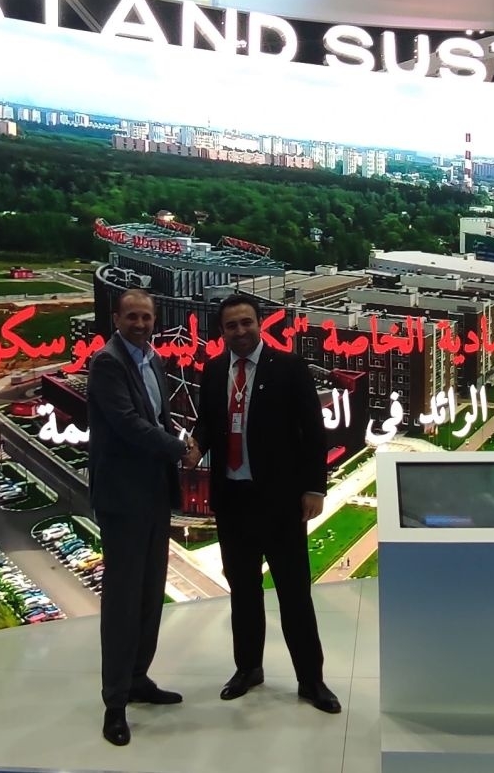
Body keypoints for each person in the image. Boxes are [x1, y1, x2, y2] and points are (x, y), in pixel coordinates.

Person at [194, 294, 342, 715]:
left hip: (280, 503)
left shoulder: (289, 368)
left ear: (260, 324)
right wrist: (195, 446)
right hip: (233, 501)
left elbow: (313, 431)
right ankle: (248, 669)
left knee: (294, 595)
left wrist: (314, 488)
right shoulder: (214, 370)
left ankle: (311, 681)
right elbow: (209, 423)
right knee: (243, 592)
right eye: (231, 325)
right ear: (221, 332)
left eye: (246, 323)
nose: (240, 331)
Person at [86, 289, 198, 746]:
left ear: (155, 320)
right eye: (131, 316)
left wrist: (180, 442)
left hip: (153, 495)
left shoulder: (154, 360)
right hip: (123, 499)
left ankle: (137, 678)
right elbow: (129, 423)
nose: (140, 323)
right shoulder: (107, 363)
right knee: (123, 601)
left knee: (150, 596)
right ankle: (114, 703)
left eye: (146, 317)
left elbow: (158, 418)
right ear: (116, 318)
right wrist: (179, 450)